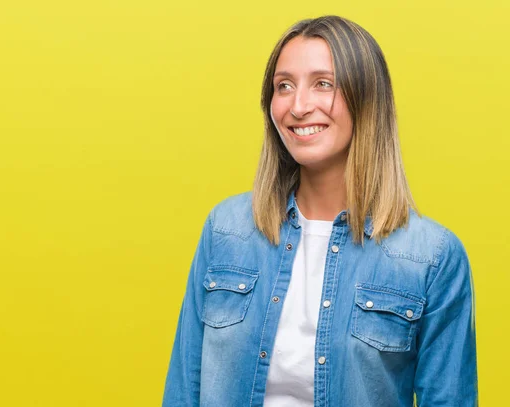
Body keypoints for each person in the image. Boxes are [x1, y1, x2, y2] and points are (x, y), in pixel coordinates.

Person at [162, 15, 478, 407]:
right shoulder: (226, 230)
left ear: (366, 98)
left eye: (323, 84)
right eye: (284, 86)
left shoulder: (431, 258)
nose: (298, 106)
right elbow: (183, 389)